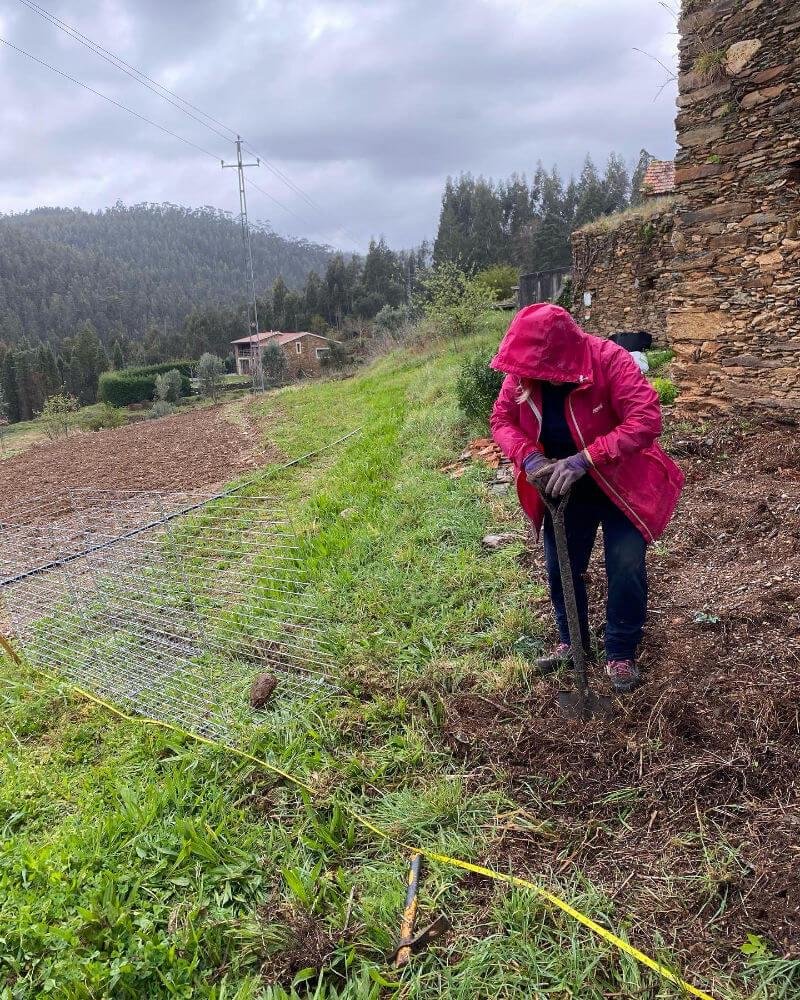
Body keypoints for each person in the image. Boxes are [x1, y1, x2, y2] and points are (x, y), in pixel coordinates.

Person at [490, 304, 684, 693]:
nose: (526, 377)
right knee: (562, 565)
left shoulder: (609, 360)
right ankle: (572, 641)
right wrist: (529, 457)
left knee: (624, 565)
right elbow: (502, 421)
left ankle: (620, 651)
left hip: (621, 482)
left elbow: (645, 419)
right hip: (562, 488)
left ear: (563, 355)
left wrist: (587, 458)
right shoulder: (523, 375)